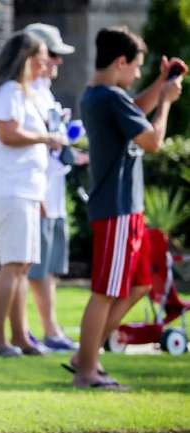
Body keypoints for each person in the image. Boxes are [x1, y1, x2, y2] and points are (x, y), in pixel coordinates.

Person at [72, 27, 184, 389]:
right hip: (116, 209)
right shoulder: (108, 97)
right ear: (120, 62)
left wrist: (159, 85)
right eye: (135, 67)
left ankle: (85, 354)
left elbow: (135, 109)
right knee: (105, 291)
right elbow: (152, 140)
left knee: (138, 286)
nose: (137, 74)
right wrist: (166, 100)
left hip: (125, 209)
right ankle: (87, 370)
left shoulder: (102, 96)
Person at [0, 31, 65, 357]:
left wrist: (39, 193)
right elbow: (8, 132)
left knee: (22, 265)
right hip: (7, 188)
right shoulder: (8, 91)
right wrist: (47, 138)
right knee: (13, 264)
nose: (45, 64)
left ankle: (21, 336)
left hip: (22, 189)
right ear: (24, 59)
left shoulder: (22, 93)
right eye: (40, 58)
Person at [24, 23, 84, 352]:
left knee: (50, 268)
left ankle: (50, 329)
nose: (56, 63)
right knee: (35, 268)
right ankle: (45, 331)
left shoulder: (43, 91)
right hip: (39, 191)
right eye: (52, 55)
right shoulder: (26, 92)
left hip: (53, 190)